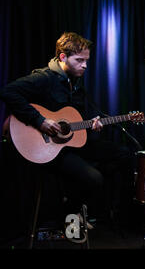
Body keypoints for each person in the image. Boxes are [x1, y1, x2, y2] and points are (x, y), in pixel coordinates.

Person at [0, 32, 135, 231]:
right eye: (79, 60)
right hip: (45, 148)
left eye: (86, 61)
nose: (85, 66)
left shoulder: (76, 84)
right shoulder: (43, 78)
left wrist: (94, 125)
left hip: (68, 145)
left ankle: (76, 198)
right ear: (63, 57)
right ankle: (68, 212)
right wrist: (40, 121)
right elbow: (8, 92)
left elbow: (74, 123)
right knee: (94, 178)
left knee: (123, 154)